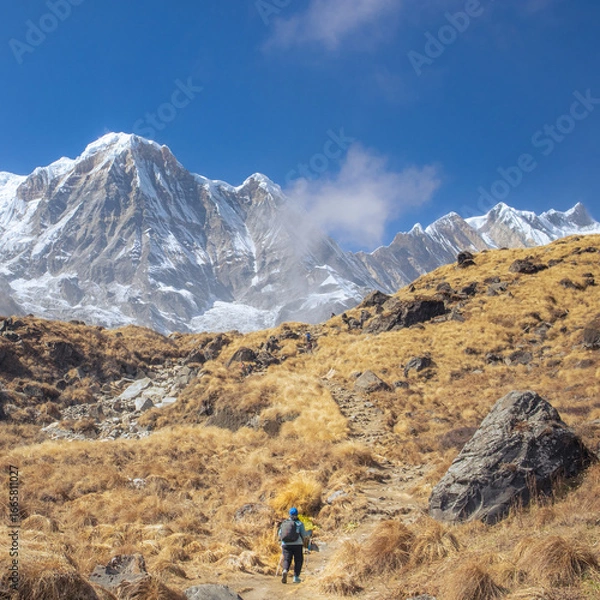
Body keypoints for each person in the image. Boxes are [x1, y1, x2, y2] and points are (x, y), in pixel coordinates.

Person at [278, 507, 307, 584]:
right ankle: (296, 577)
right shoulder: (300, 524)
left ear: (289, 514)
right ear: (297, 515)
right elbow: (304, 535)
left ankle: (285, 570)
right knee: (298, 560)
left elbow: (280, 534)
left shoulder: (284, 523)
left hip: (285, 544)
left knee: (287, 559)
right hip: (297, 544)